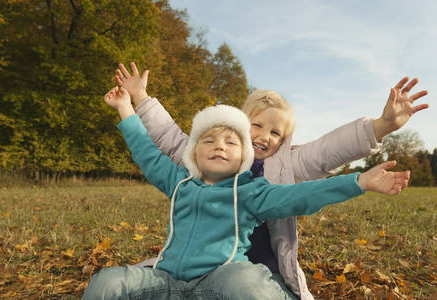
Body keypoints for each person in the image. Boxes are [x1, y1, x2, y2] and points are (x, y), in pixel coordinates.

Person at [114, 62, 428, 299]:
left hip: (261, 273)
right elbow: (168, 138)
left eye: (276, 132)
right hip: (202, 267)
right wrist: (139, 96)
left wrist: (383, 125)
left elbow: (330, 149)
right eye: (257, 125)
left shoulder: (288, 163)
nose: (265, 137)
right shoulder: (212, 155)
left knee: (241, 288)